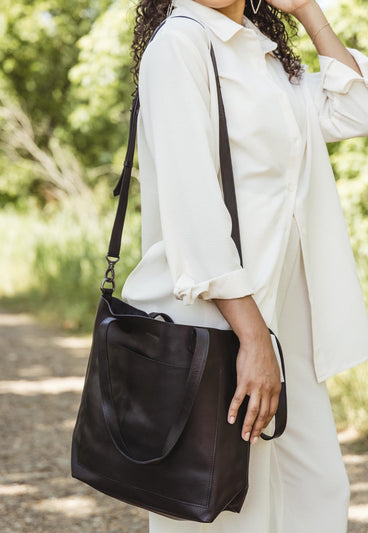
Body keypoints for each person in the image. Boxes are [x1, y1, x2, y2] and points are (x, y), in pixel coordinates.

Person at [121, 0, 368, 531]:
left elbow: (356, 109)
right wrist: (253, 339)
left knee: (316, 494)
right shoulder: (179, 45)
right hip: (224, 323)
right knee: (221, 505)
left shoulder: (263, 51)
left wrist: (307, 11)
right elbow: (193, 209)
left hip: (289, 324)